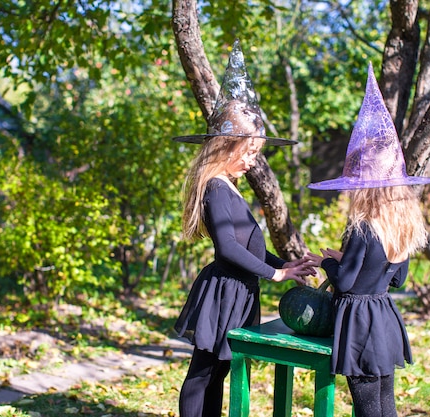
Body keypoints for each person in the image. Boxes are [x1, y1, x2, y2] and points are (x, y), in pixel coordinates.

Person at [172, 40, 313, 417]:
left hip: (239, 292)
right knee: (203, 373)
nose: (253, 162)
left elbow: (248, 247)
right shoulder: (216, 187)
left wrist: (287, 265)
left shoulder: (230, 187)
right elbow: (228, 250)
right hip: (221, 294)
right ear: (226, 146)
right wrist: (277, 273)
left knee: (219, 371)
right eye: (249, 152)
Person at [305, 63, 430, 417]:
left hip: (359, 324)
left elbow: (347, 280)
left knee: (366, 408)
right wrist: (345, 259)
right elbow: (397, 278)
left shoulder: (362, 226)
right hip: (384, 317)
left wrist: (326, 262)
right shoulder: (401, 225)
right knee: (385, 405)